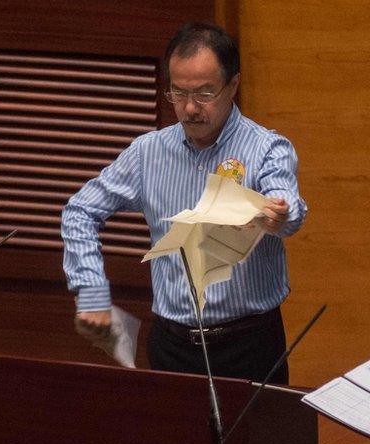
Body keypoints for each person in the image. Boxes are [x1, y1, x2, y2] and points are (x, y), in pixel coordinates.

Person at [61, 22, 307, 383]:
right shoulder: (148, 153)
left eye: (205, 94)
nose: (190, 108)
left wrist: (278, 217)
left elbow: (289, 208)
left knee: (256, 441)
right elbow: (80, 210)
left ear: (233, 86)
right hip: (172, 346)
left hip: (249, 345)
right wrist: (92, 291)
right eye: (178, 93)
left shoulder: (266, 148)